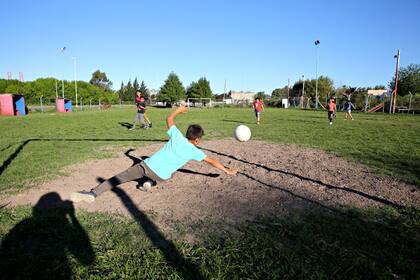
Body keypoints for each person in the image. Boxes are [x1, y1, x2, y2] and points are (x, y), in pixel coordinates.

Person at [71, 105, 238, 203]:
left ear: (188, 134)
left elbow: (169, 120)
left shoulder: (177, 136)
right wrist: (227, 170)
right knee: (161, 175)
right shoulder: (195, 151)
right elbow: (212, 161)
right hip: (163, 176)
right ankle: (149, 183)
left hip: (146, 166)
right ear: (197, 140)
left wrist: (178, 111)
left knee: (118, 178)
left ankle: (93, 194)